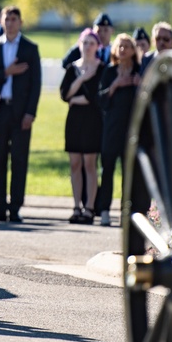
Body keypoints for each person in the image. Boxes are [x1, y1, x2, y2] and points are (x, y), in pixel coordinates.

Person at [0, 6, 41, 223]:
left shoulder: (30, 48)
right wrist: (6, 72)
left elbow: (36, 84)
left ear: (20, 22)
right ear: (2, 22)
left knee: (19, 160)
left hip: (20, 112)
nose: (10, 22)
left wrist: (30, 113)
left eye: (14, 19)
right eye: (7, 18)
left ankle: (15, 208)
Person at [60, 29, 105, 224]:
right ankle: (77, 206)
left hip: (92, 121)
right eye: (84, 43)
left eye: (91, 43)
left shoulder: (102, 68)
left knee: (90, 164)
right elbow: (64, 94)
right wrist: (83, 79)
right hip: (74, 121)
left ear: (97, 47)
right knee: (75, 164)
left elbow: (97, 98)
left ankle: (90, 208)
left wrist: (77, 99)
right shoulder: (73, 68)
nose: (87, 47)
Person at [98, 33, 141, 226]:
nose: (122, 50)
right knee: (107, 169)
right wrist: (115, 85)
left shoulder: (139, 72)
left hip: (131, 130)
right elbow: (101, 101)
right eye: (119, 46)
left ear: (133, 50)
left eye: (127, 46)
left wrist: (138, 86)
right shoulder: (109, 71)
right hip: (112, 128)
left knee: (129, 173)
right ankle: (105, 210)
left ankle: (127, 212)